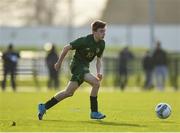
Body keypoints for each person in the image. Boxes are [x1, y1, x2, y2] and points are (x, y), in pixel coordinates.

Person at [38, 20, 106, 120]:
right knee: (96, 83)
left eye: (104, 31)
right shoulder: (84, 41)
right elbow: (66, 48)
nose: (103, 34)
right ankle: (94, 112)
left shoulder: (102, 44)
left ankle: (44, 106)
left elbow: (99, 60)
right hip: (77, 65)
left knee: (68, 93)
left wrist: (99, 72)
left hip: (84, 67)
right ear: (94, 32)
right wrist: (59, 62)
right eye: (101, 31)